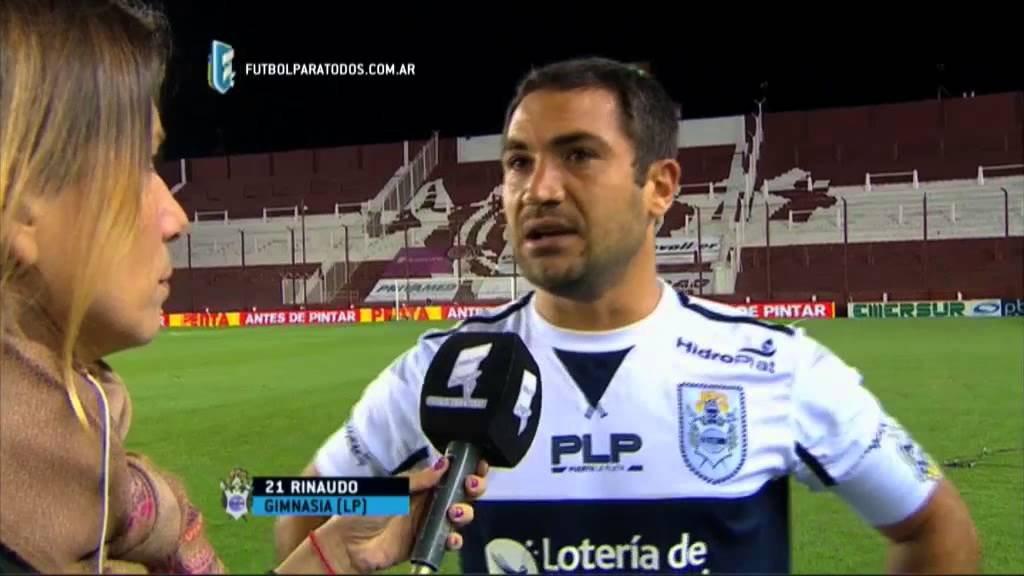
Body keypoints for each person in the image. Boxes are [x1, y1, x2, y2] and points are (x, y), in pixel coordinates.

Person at [276, 57, 981, 574]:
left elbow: (934, 531)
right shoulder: (443, 368)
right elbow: (303, 510)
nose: (537, 189)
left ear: (659, 186)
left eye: (578, 155)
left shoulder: (776, 366)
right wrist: (369, 525)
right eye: (518, 163)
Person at [0, 1, 487, 574]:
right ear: (21, 203)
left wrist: (334, 555)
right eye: (136, 163)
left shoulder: (90, 490)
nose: (173, 217)